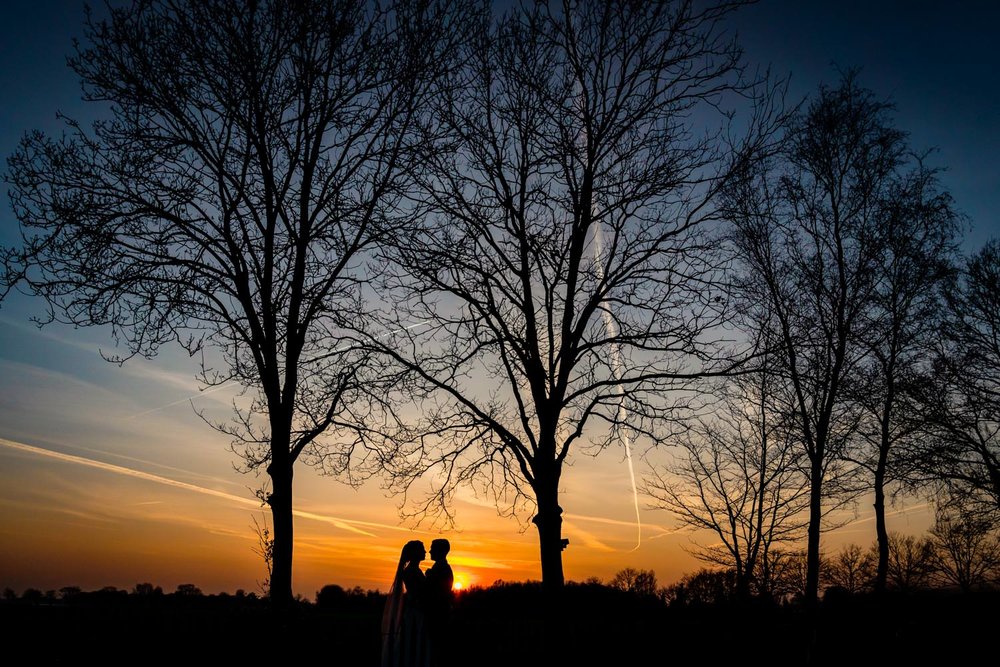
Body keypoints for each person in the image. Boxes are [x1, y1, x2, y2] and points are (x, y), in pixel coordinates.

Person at [381, 540, 430, 667]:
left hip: (416, 611)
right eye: (422, 549)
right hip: (415, 613)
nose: (425, 552)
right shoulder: (411, 572)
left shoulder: (415, 570)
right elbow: (419, 594)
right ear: (414, 553)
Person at [424, 538, 454, 664]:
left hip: (438, 615)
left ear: (441, 551)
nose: (430, 551)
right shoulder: (439, 567)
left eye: (433, 548)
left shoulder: (443, 569)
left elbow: (439, 593)